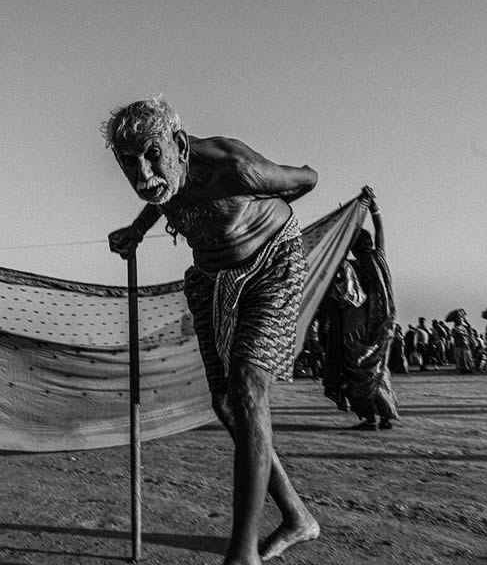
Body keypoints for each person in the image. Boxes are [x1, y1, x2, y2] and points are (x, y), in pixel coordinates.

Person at [103, 97, 320, 564]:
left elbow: (308, 178)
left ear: (179, 144)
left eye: (151, 155)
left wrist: (257, 210)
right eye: (128, 163)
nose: (141, 175)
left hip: (272, 264)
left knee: (247, 389)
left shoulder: (237, 168)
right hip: (210, 277)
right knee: (226, 403)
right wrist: (137, 230)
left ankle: (241, 555)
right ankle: (296, 517)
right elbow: (166, 194)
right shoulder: (163, 176)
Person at [320, 188, 399, 431]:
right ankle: (385, 415)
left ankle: (369, 417)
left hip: (355, 325)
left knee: (356, 371)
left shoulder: (348, 266)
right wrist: (373, 207)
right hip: (381, 325)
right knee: (377, 369)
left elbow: (341, 293)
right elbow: (381, 231)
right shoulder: (380, 258)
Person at [447, 309, 475, 373]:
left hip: (465, 343)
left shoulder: (464, 327)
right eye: (459, 320)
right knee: (460, 357)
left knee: (467, 357)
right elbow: (452, 336)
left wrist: (464, 319)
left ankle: (467, 368)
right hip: (459, 344)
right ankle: (463, 369)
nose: (460, 321)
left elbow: (469, 327)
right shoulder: (455, 328)